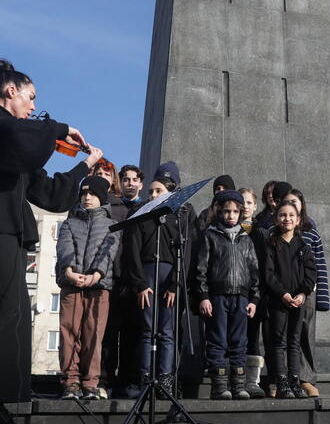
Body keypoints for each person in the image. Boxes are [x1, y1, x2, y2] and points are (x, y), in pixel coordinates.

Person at [0, 58, 102, 424]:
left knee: (15, 317)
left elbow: (52, 195)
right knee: (2, 316)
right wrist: (59, 128)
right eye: (31, 97)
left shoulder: (16, 146)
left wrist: (85, 167)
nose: (34, 106)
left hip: (9, 229)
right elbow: (20, 139)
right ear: (11, 91)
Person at [123, 162, 195, 398]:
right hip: (146, 276)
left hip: (169, 278)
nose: (153, 195)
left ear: (172, 191)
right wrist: (140, 283)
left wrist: (175, 284)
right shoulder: (141, 213)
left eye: (159, 191)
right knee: (147, 330)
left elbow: (185, 253)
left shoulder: (181, 215)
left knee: (166, 331)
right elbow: (131, 250)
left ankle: (165, 380)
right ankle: (145, 378)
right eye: (151, 191)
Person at [55, 176, 119, 400]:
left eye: (92, 194)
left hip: (99, 286)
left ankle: (91, 382)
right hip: (71, 285)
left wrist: (95, 275)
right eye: (84, 193)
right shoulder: (70, 222)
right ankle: (70, 382)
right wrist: (70, 271)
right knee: (69, 332)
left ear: (101, 197)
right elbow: (64, 248)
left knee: (94, 334)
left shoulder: (112, 223)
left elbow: (109, 251)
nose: (87, 197)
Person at [193, 190, 260, 400]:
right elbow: (200, 269)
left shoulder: (245, 240)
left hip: (241, 298)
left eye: (235, 212)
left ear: (240, 213)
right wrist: (203, 295)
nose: (231, 216)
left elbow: (254, 270)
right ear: (219, 212)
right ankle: (219, 386)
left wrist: (254, 299)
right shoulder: (210, 236)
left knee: (239, 341)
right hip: (217, 298)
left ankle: (238, 385)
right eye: (226, 211)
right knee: (217, 341)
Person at [264, 202, 317, 399]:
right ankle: (282, 382)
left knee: (294, 341)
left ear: (298, 219)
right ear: (276, 219)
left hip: (298, 301)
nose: (287, 218)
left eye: (291, 215)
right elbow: (268, 274)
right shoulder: (271, 243)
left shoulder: (303, 246)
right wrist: (282, 294)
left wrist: (302, 294)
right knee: (278, 341)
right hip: (279, 301)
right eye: (282, 215)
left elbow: (311, 274)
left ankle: (294, 381)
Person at [101, 164, 144, 398]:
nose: (129, 183)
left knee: (132, 334)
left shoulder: (146, 208)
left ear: (140, 183)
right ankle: (106, 379)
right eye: (125, 179)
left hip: (134, 280)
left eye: (133, 179)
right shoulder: (112, 206)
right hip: (113, 277)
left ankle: (128, 381)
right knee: (109, 334)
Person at [281, 189, 329, 398]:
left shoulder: (311, 231)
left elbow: (319, 266)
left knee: (305, 335)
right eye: (287, 202)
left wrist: (322, 297)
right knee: (284, 336)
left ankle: (306, 379)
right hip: (283, 293)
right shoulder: (277, 232)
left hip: (307, 292)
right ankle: (284, 379)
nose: (291, 205)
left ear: (301, 205)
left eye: (295, 201)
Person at [239, 187, 268, 399]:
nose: (245, 206)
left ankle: (252, 380)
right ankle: (236, 379)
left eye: (249, 203)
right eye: (242, 202)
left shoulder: (262, 232)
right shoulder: (229, 228)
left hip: (255, 293)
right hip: (234, 291)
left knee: (252, 336)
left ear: (255, 206)